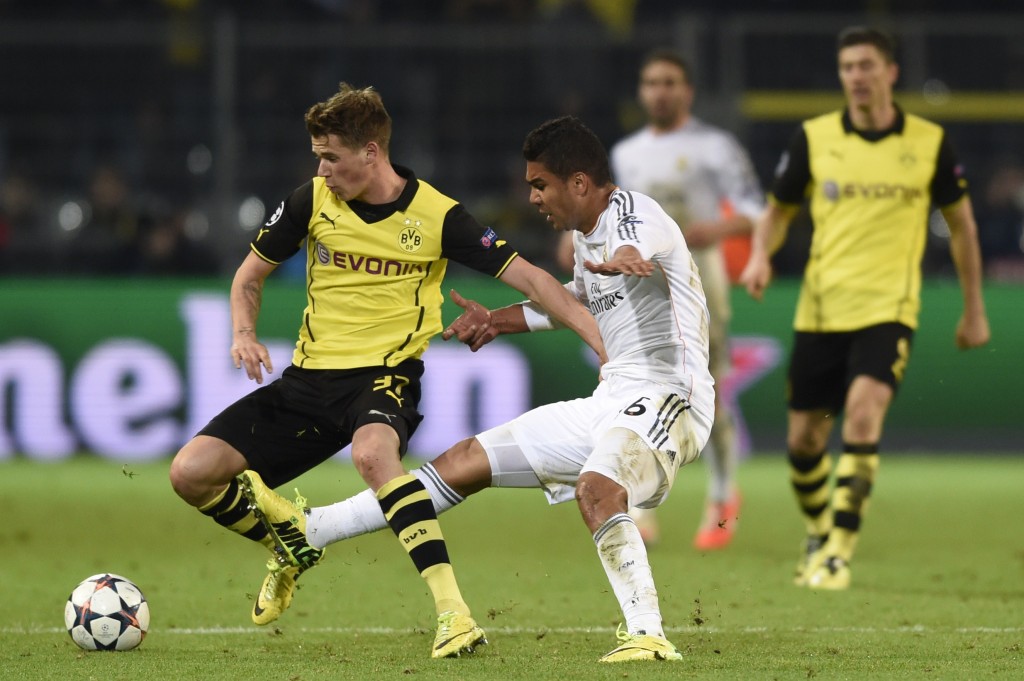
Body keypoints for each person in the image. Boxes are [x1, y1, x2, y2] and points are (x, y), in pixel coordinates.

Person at [243, 115, 716, 662]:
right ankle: (313, 531)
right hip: (612, 401)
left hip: (669, 397)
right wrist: (497, 320)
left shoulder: (634, 213)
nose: (532, 197)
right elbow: (573, 303)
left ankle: (648, 635)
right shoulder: (586, 239)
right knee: (464, 461)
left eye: (540, 184)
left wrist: (630, 256)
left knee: (597, 488)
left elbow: (638, 243)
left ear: (579, 182)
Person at [167, 84, 605, 659]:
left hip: (385, 376)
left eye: (331, 158)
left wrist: (602, 343)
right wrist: (243, 334)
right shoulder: (310, 201)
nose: (321, 171)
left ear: (371, 152)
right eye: (318, 157)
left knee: (374, 456)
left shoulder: (437, 216)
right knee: (191, 473)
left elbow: (535, 280)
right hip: (307, 382)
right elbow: (248, 277)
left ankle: (453, 614)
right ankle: (292, 543)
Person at [739, 26, 990, 591]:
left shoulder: (929, 142)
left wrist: (973, 309)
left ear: (890, 72)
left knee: (861, 413)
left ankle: (838, 553)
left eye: (867, 65)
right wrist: (758, 256)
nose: (857, 76)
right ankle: (818, 531)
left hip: (889, 307)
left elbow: (963, 226)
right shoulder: (815, 137)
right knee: (804, 441)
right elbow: (778, 211)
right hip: (821, 310)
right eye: (848, 67)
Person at [556, 48, 764, 550]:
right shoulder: (627, 153)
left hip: (697, 271)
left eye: (670, 82)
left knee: (706, 384)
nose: (660, 92)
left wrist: (718, 228)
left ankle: (722, 494)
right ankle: (639, 502)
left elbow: (756, 210)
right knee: (633, 382)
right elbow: (609, 208)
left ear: (687, 91)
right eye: (651, 83)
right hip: (637, 277)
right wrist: (574, 235)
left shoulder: (715, 146)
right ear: (641, 91)